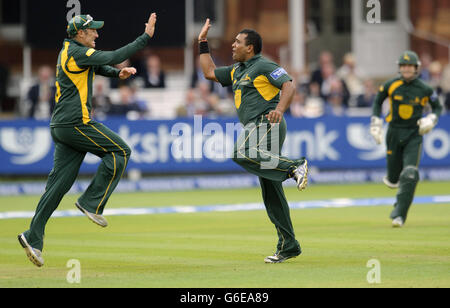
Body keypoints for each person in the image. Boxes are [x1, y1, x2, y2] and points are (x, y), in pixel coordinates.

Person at [18, 13, 158, 267]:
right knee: (121, 151)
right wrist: (145, 37)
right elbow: (112, 56)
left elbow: (99, 66)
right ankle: (90, 202)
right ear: (80, 34)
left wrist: (118, 75)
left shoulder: (70, 51)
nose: (96, 34)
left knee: (57, 186)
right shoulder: (78, 52)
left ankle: (32, 236)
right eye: (92, 31)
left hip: (61, 125)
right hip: (76, 123)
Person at [198, 19, 308, 264]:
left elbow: (288, 85)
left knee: (241, 152)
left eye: (238, 42)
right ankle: (289, 245)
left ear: (250, 48)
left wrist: (280, 109)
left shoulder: (264, 65)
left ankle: (294, 166)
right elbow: (208, 72)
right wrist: (202, 42)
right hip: (255, 127)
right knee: (271, 192)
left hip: (267, 123)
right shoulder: (237, 70)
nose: (233, 45)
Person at [370, 51, 442, 228]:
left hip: (414, 134)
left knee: (410, 173)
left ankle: (399, 215)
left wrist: (432, 118)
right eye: (403, 66)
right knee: (393, 179)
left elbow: (437, 107)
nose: (406, 69)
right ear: (399, 68)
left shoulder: (425, 89)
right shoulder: (391, 85)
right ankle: (399, 201)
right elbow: (378, 101)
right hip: (394, 133)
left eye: (409, 66)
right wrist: (376, 121)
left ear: (416, 68)